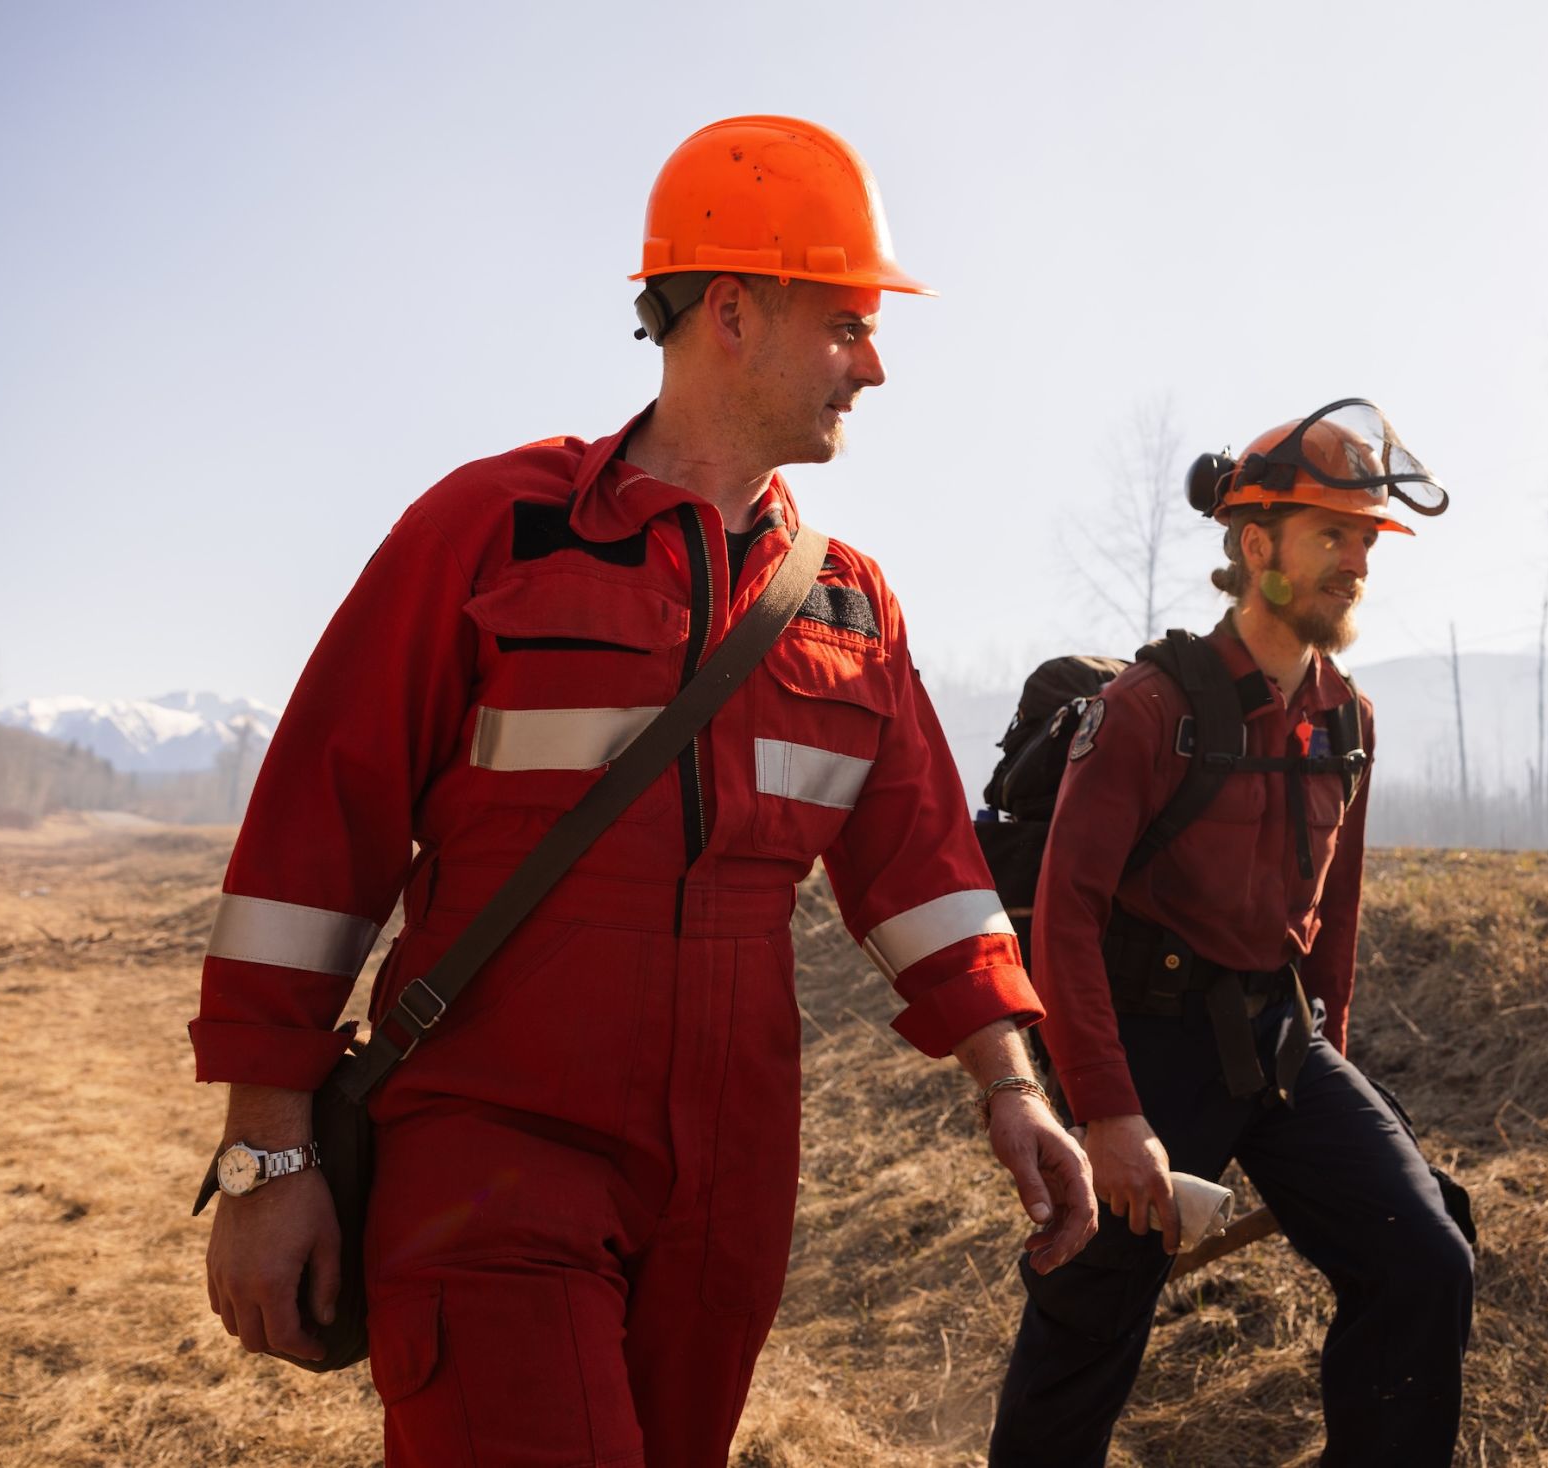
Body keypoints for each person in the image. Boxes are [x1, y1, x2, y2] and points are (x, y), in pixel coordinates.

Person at [191, 116, 1093, 1467]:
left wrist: (1011, 1084)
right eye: (849, 322)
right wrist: (271, 1157)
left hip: (727, 1184)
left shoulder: (848, 604)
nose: (877, 364)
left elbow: (926, 868)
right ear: (733, 308)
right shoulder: (492, 532)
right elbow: (314, 842)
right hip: (490, 1153)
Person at [987, 402, 1476, 1467]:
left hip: (1278, 1038)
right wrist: (1109, 1116)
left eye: (1364, 540)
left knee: (1425, 1258)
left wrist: (1331, 1059)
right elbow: (1066, 920)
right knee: (1091, 1314)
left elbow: (1331, 915)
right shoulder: (1147, 710)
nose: (1356, 561)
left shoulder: (1348, 718)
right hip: (1144, 1040)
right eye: (1331, 537)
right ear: (1256, 547)